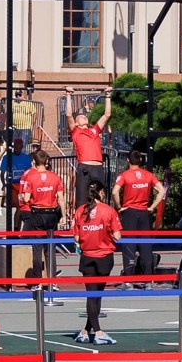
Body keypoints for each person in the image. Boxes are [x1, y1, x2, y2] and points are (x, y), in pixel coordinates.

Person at [70, 180, 123, 347]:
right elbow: (118, 236)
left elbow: (77, 237)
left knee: (94, 295)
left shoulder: (80, 211)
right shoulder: (108, 211)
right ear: (101, 192)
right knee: (95, 295)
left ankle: (86, 331)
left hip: (87, 256)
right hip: (104, 256)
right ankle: (98, 332)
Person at [14, 149, 65, 280]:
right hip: (52, 213)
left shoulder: (31, 176)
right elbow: (61, 198)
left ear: (33, 163)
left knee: (37, 247)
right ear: (47, 161)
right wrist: (63, 216)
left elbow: (25, 198)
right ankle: (52, 278)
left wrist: (29, 198)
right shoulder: (55, 177)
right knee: (51, 246)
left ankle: (37, 280)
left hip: (37, 212)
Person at [114, 151, 165, 280]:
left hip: (129, 212)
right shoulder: (148, 175)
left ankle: (128, 280)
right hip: (143, 212)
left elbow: (115, 192)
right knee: (145, 245)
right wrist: (152, 207)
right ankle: (148, 279)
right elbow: (162, 190)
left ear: (128, 160)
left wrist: (119, 207)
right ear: (140, 160)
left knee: (129, 245)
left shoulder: (124, 175)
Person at [69, 98, 107, 186]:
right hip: (85, 165)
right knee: (82, 196)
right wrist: (68, 96)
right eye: (81, 117)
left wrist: (108, 96)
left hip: (98, 166)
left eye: (85, 116)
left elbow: (106, 115)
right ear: (76, 123)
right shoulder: (75, 131)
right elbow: (69, 115)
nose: (84, 116)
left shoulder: (95, 130)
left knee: (100, 195)